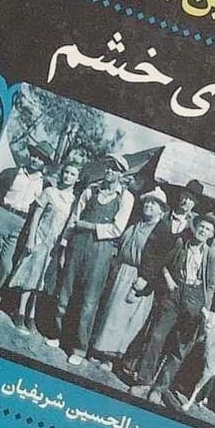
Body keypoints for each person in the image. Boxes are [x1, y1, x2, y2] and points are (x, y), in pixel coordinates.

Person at [47, 153, 134, 366]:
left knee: (88, 302)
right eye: (108, 167)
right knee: (65, 294)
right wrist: (65, 245)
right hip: (77, 245)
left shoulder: (126, 198)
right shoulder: (90, 190)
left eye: (114, 168)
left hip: (101, 251)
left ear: (121, 174)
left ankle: (79, 348)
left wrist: (88, 226)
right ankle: (57, 334)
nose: (109, 171)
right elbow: (74, 219)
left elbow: (117, 229)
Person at [129, 213, 215, 405]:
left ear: (211, 235)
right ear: (196, 227)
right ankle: (144, 382)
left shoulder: (211, 255)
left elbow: (210, 285)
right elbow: (163, 263)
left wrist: (205, 310)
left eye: (208, 229)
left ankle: (159, 389)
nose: (203, 231)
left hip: (195, 299)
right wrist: (169, 279)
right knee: (157, 336)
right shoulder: (181, 244)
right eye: (202, 226)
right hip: (175, 293)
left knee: (180, 347)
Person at [0, 141, 54, 314]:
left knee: (6, 265)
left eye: (40, 158)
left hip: (22, 224)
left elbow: (43, 211)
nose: (35, 159)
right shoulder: (12, 173)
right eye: (34, 155)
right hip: (2, 215)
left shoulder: (45, 185)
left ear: (45, 163)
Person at [89, 187, 168, 370]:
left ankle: (110, 358)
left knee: (122, 317)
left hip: (138, 278)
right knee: (109, 313)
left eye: (154, 203)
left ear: (161, 210)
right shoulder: (136, 223)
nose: (148, 205)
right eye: (147, 202)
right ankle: (98, 350)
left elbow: (160, 261)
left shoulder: (161, 233)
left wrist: (144, 280)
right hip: (121, 271)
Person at [7, 160, 81, 334]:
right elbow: (36, 215)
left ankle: (31, 315)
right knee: (31, 274)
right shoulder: (50, 192)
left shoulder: (74, 201)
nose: (68, 176)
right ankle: (20, 311)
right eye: (66, 172)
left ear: (77, 179)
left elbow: (70, 225)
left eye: (72, 174)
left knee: (42, 280)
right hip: (41, 237)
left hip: (55, 245)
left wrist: (62, 249)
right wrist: (31, 238)